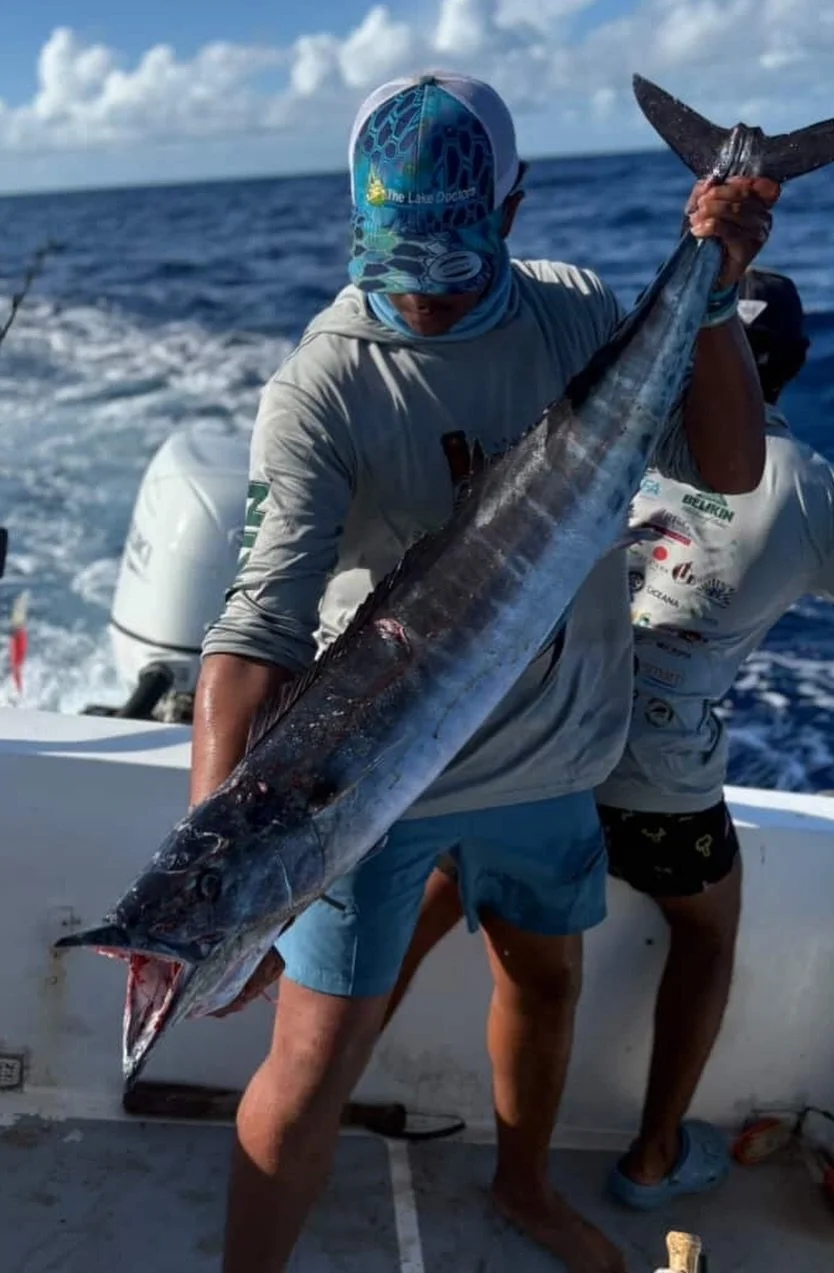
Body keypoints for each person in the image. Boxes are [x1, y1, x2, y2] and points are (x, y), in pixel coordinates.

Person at [192, 70, 777, 1273]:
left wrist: (711, 294)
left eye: (448, 260)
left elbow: (723, 466)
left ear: (512, 213)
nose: (418, 291)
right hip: (369, 783)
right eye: (390, 258)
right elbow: (255, 631)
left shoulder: (571, 312)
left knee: (544, 983)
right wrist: (220, 864)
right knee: (310, 1061)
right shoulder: (323, 385)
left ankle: (521, 1187)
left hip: (552, 753)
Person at [384, 265, 834, 1215]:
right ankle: (651, 1155)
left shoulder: (608, 438)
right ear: (799, 366)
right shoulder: (814, 491)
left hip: (529, 745)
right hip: (656, 786)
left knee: (440, 886)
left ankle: (323, 1075)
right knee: (706, 929)